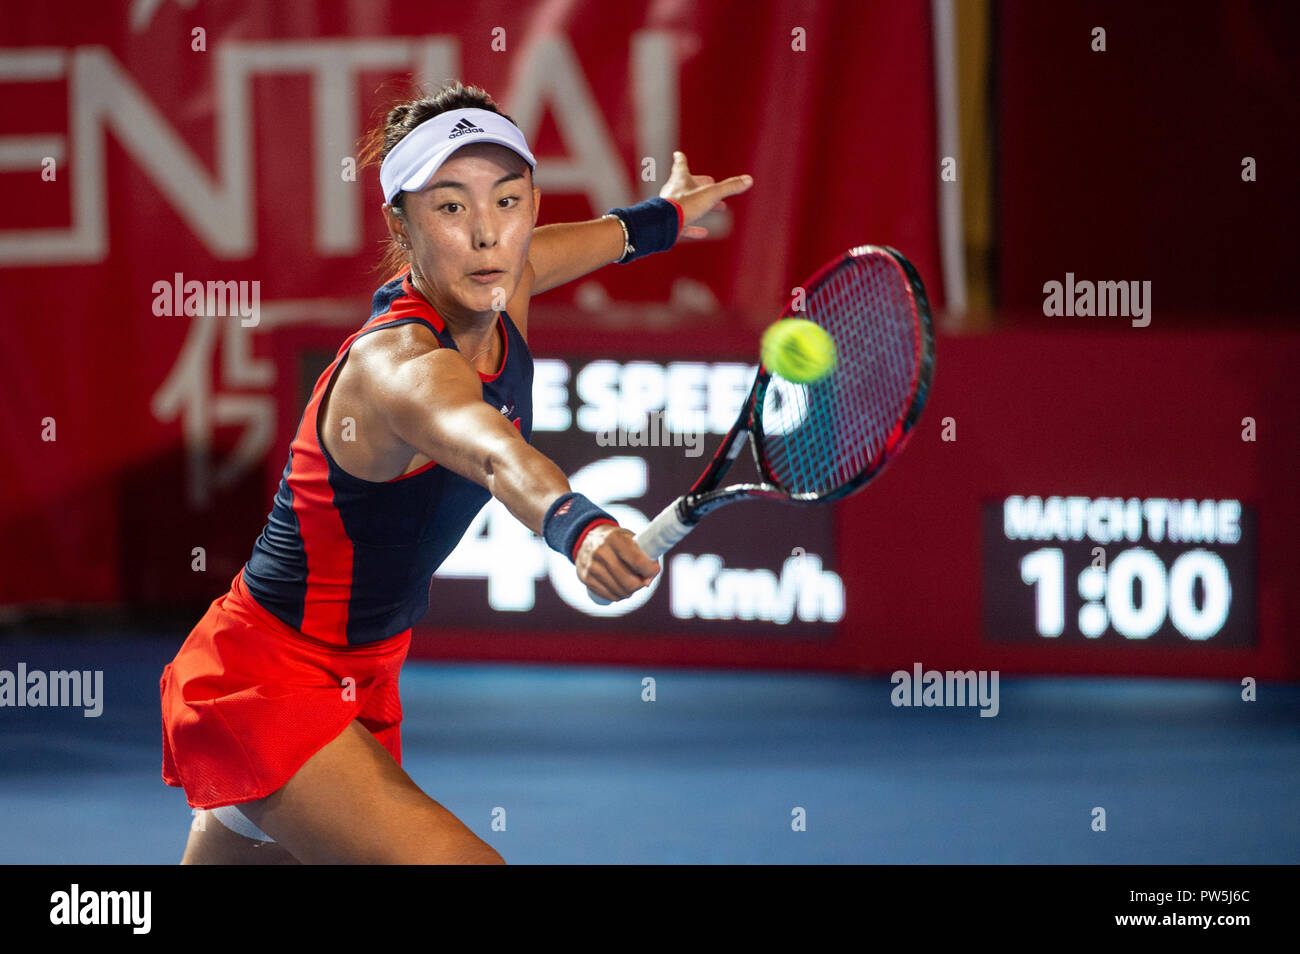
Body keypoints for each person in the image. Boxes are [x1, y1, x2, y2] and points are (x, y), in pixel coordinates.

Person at [159, 81, 754, 863]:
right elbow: (490, 448)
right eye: (450, 207)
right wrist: (578, 525)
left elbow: (609, 235)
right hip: (267, 680)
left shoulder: (512, 275)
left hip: (362, 678)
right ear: (399, 225)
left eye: (508, 201)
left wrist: (668, 215)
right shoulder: (398, 364)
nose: (487, 235)